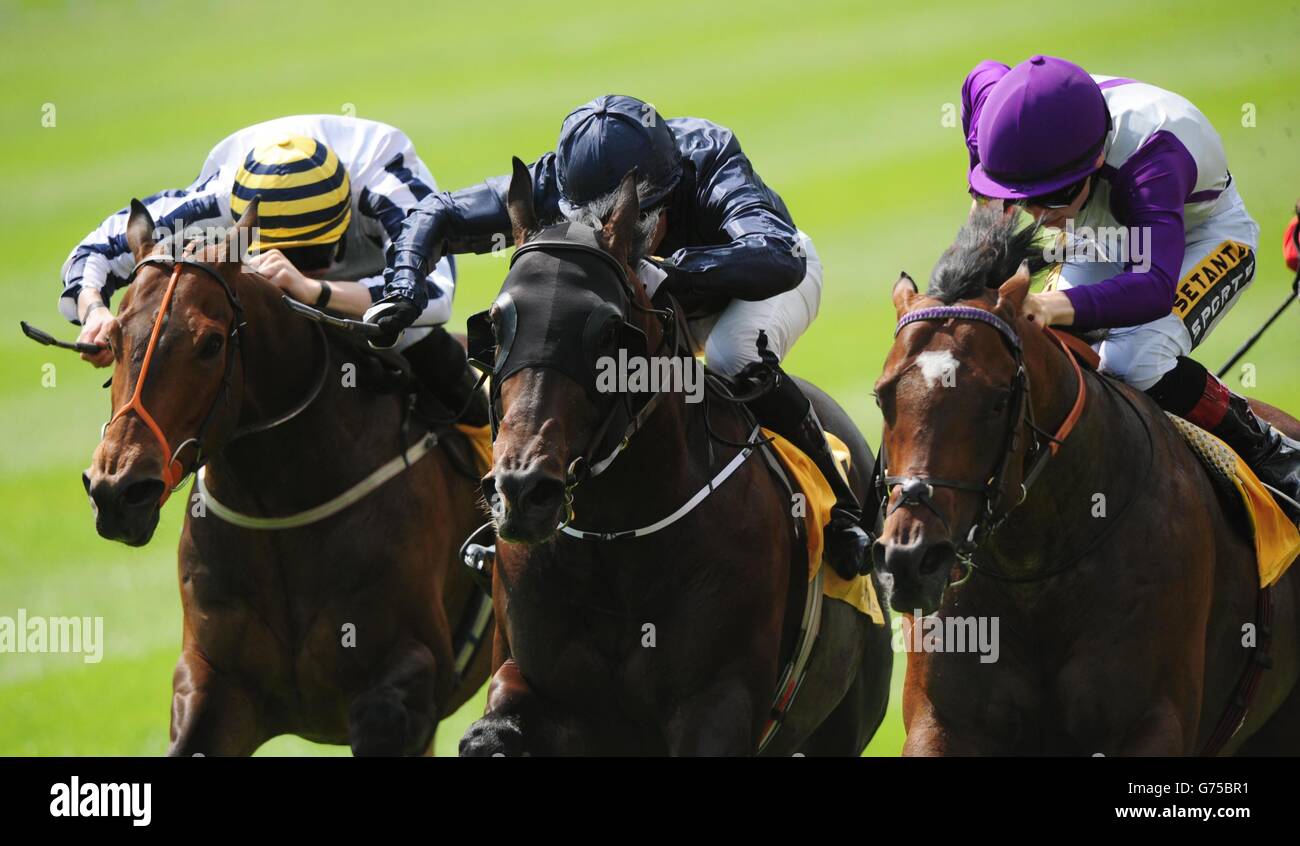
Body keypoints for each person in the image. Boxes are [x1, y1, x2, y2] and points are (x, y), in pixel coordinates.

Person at [365, 94, 871, 578]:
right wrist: (404, 288)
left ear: (662, 198)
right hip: (640, 301)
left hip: (747, 291)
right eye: (587, 224)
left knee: (729, 355)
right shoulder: (555, 179)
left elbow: (777, 257)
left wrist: (667, 270)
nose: (610, 235)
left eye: (630, 226)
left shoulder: (708, 158)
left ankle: (844, 511)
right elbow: (438, 212)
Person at [960, 55, 1300, 516]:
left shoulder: (1151, 161)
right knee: (1043, 350)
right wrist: (989, 194)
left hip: (1201, 237)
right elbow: (979, 76)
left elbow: (1153, 286)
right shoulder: (1002, 111)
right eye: (1027, 201)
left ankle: (1269, 450)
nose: (1038, 217)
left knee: (1133, 361)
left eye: (1053, 196)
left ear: (1096, 158)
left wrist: (1047, 304)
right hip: (1102, 234)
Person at [59, 114, 479, 420]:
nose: (296, 274)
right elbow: (93, 251)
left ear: (343, 225)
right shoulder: (222, 198)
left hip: (368, 273)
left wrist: (317, 291)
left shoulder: (388, 186)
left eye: (311, 261)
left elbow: (434, 297)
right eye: (283, 260)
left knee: (433, 360)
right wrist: (95, 313)